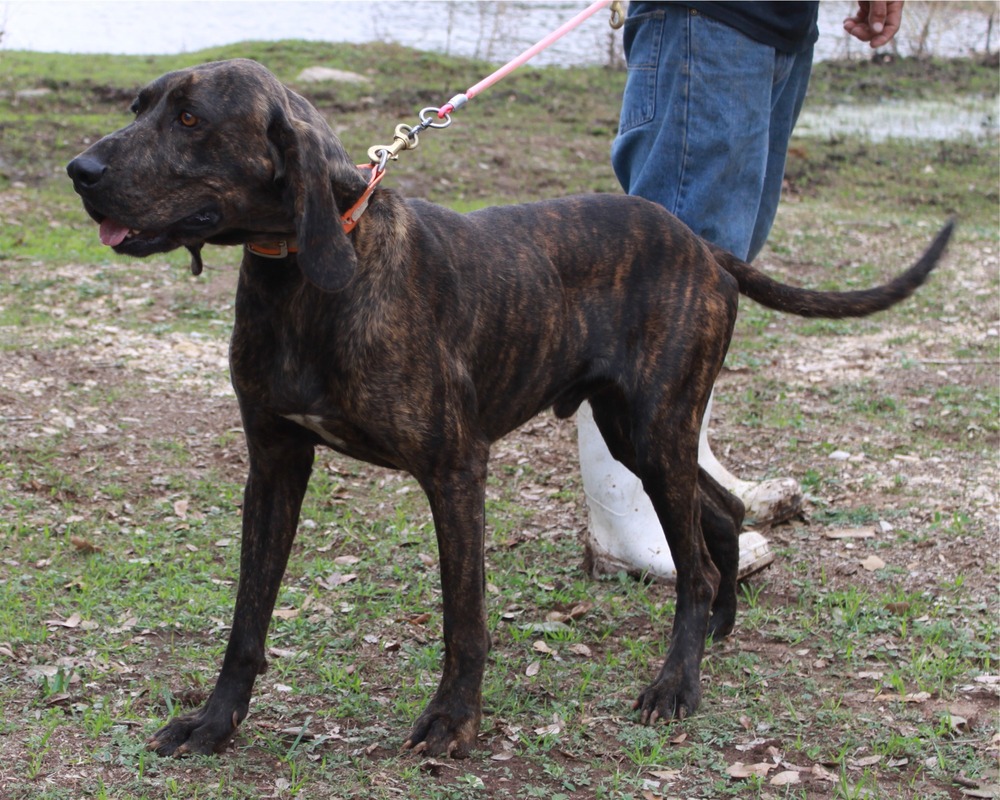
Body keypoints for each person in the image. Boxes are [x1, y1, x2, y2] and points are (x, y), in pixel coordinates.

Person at [579, 1, 904, 580]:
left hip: (778, 21)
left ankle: (686, 469)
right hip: (708, 15)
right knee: (662, 287)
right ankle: (624, 511)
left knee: (716, 267)